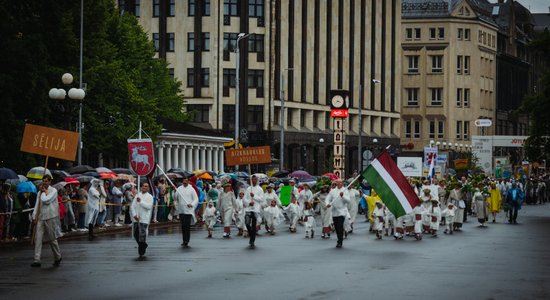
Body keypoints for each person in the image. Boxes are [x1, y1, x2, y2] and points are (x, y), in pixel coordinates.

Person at [31, 175, 62, 267]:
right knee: (38, 238)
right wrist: (34, 216)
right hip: (40, 217)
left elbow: (46, 200)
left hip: (50, 217)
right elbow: (37, 203)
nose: (44, 183)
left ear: (50, 182)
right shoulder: (39, 192)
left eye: (46, 181)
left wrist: (44, 192)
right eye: (43, 181)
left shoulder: (54, 191)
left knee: (52, 239)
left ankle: (58, 256)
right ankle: (37, 260)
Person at [130, 183, 153, 260]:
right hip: (137, 219)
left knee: (142, 236)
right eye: (143, 186)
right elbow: (132, 206)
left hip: (144, 219)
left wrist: (141, 202)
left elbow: (149, 207)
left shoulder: (150, 197)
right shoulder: (137, 195)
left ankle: (141, 252)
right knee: (136, 234)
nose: (144, 187)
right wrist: (134, 215)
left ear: (148, 189)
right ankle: (144, 245)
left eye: (146, 186)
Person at [174, 177, 199, 247]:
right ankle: (183, 240)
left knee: (187, 226)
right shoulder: (179, 188)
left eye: (186, 181)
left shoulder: (191, 189)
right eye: (183, 181)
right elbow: (175, 198)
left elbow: (196, 199)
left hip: (188, 210)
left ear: (188, 182)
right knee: (183, 226)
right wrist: (174, 191)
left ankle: (186, 240)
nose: (184, 182)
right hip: (181, 210)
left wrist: (192, 204)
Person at [325, 179, 350, 248]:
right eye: (338, 183)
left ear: (342, 183)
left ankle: (340, 241)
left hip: (342, 211)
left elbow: (348, 201)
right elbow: (327, 199)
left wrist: (343, 196)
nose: (339, 184)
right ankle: (339, 238)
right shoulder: (332, 191)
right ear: (336, 183)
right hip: (334, 211)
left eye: (340, 182)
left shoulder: (345, 190)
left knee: (340, 226)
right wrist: (327, 204)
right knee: (336, 227)